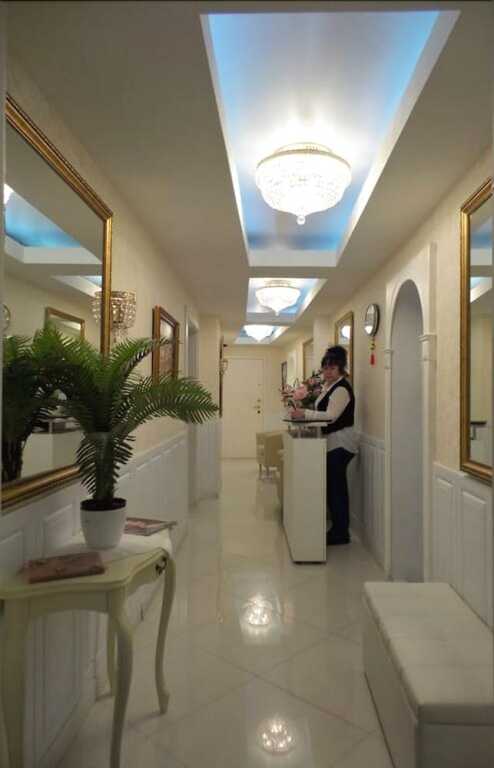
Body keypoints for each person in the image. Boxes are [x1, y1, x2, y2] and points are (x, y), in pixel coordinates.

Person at [290, 346, 358, 545]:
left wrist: (305, 414)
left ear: (341, 368)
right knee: (333, 488)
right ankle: (337, 529)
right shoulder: (329, 387)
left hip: (340, 444)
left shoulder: (342, 388)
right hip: (331, 444)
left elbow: (330, 416)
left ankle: (341, 533)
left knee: (337, 490)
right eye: (325, 368)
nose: (327, 372)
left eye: (332, 368)